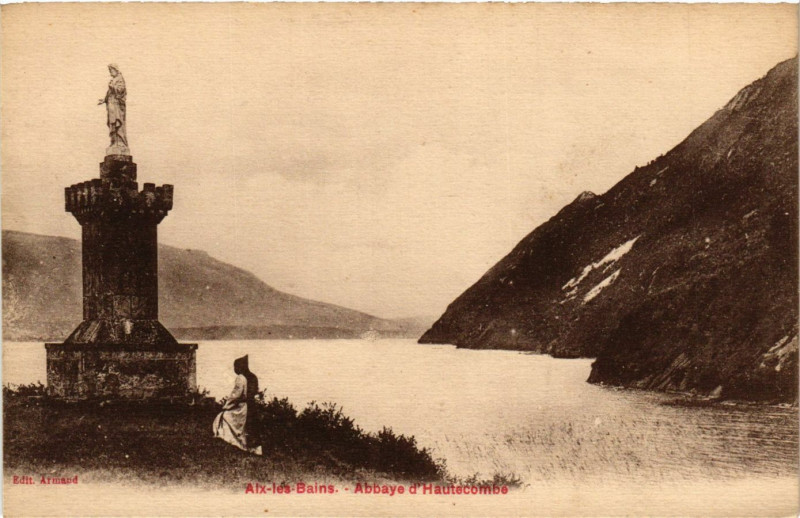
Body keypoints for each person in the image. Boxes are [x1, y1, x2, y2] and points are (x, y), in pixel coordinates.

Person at [212, 355, 262, 455]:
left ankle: (236, 442)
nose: (235, 369)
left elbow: (236, 395)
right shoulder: (253, 377)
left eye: (236, 367)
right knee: (252, 427)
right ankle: (256, 449)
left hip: (243, 407)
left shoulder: (241, 378)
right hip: (252, 406)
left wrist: (226, 406)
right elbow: (255, 392)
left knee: (224, 416)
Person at [98, 64, 128, 154]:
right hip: (111, 106)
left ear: (115, 70)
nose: (110, 73)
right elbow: (109, 93)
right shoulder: (112, 80)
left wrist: (113, 87)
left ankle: (121, 143)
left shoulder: (120, 79)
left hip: (117, 106)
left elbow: (121, 90)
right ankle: (114, 142)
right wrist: (104, 100)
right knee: (112, 124)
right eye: (109, 71)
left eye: (111, 70)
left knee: (118, 123)